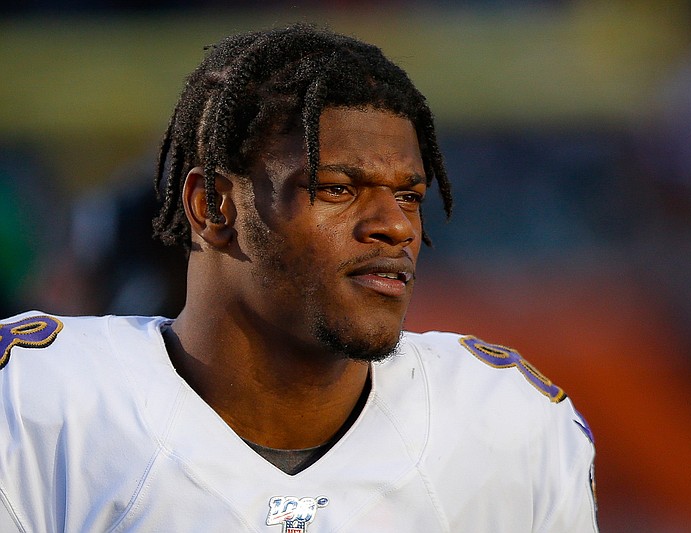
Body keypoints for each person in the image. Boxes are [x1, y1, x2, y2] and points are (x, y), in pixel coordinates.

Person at [0, 24, 598, 532]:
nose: (395, 227)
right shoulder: (38, 410)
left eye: (410, 196)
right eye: (337, 189)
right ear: (214, 208)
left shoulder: (506, 428)